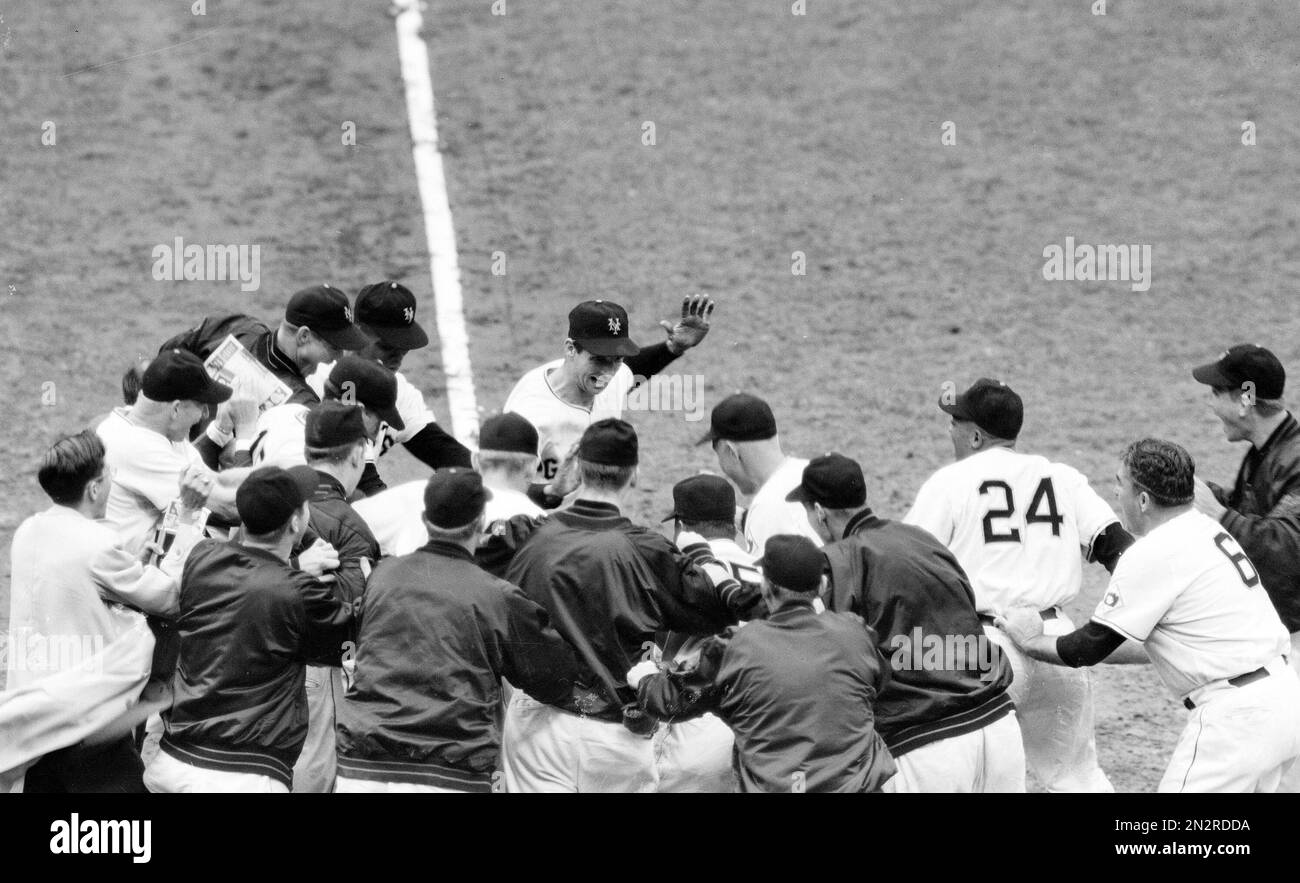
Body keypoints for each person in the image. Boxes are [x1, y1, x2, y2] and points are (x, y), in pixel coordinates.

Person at [997, 438, 1300, 793]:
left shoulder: (1152, 553)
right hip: (1283, 701)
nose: (1114, 494)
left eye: (1120, 484)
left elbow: (1088, 648)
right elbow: (1151, 643)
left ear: (1143, 500)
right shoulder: (1209, 530)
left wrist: (1032, 640)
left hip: (1237, 720)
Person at [499, 419, 757, 792]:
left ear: (578, 467)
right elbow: (722, 609)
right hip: (613, 733)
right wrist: (700, 554)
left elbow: (463, 532)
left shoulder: (525, 535)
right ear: (633, 475)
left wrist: (550, 493)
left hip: (534, 726)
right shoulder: (650, 552)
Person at [904, 378, 1132, 793]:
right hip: (1058, 643)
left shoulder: (949, 483)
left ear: (974, 435)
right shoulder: (1061, 477)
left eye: (954, 421)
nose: (948, 429)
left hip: (986, 652)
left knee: (983, 783)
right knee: (1078, 778)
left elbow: (904, 568)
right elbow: (1120, 549)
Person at [790, 453, 1024, 792]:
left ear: (820, 513)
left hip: (928, 745)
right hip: (999, 725)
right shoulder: (922, 538)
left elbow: (838, 662)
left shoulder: (840, 560)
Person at [334, 470, 579, 792]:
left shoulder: (381, 577)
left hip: (363, 768)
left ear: (424, 518)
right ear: (480, 522)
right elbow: (555, 677)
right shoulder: (496, 595)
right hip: (449, 773)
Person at [629, 535, 897, 793]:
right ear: (823, 586)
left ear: (766, 587)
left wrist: (645, 678)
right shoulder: (855, 633)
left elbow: (670, 701)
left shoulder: (735, 648)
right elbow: (881, 680)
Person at [144, 466, 355, 792]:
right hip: (246, 778)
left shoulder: (201, 558)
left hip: (174, 765)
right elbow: (349, 646)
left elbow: (177, 558)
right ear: (296, 521)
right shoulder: (300, 593)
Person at [7, 431, 188, 792]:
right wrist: (185, 540)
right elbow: (170, 598)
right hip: (86, 720)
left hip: (34, 720)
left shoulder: (28, 530)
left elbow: (75, 587)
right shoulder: (97, 544)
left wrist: (132, 568)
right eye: (108, 478)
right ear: (93, 489)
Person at [503, 297, 714, 507]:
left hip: (594, 521)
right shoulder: (529, 413)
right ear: (570, 349)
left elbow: (635, 368)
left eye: (616, 359)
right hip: (540, 529)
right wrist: (551, 492)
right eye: (598, 359)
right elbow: (502, 489)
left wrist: (673, 348)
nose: (607, 373)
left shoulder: (610, 375)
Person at [651, 474, 765, 793]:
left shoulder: (681, 573)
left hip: (693, 736)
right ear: (732, 523)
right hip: (758, 733)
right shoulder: (765, 574)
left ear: (681, 526)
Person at [291, 402, 382, 793]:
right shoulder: (350, 524)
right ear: (359, 453)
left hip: (265, 663)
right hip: (320, 670)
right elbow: (344, 613)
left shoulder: (277, 495)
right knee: (314, 773)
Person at [1189, 345, 1300, 648]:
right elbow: (1256, 512)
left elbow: (1290, 547)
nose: (1210, 404)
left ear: (1245, 399)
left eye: (1216, 392)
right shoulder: (1270, 451)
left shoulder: (1294, 458)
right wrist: (1196, 492)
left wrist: (1219, 514)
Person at [306, 281, 471, 471]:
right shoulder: (314, 380)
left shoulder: (399, 393)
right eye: (387, 347)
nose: (397, 358)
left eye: (404, 349)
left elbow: (443, 451)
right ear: (358, 331)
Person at [95, 349, 246, 555]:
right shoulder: (133, 445)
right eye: (201, 405)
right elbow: (232, 509)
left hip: (151, 566)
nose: (205, 414)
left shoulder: (160, 429)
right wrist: (248, 435)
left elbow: (217, 482)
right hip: (128, 580)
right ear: (175, 409)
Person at [355, 412, 544, 561]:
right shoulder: (538, 522)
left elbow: (346, 524)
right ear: (533, 466)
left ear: (476, 461)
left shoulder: (421, 493)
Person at [159, 283, 369, 407]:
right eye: (334, 347)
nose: (339, 357)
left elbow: (164, 361)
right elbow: (165, 360)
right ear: (304, 336)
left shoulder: (237, 327)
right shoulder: (300, 404)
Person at [251, 355, 405, 497]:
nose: (378, 431)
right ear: (361, 412)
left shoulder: (282, 412)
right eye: (380, 420)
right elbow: (378, 500)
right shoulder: (345, 451)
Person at [700, 392, 820, 552]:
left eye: (719, 455)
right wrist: (738, 516)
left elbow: (765, 577)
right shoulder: (811, 471)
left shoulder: (766, 509)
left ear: (731, 451)